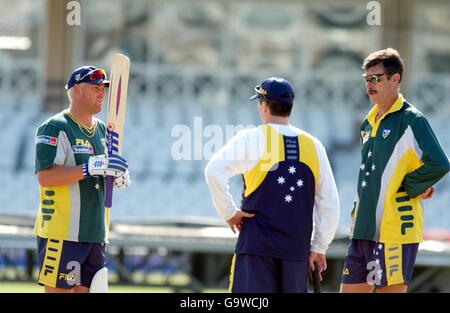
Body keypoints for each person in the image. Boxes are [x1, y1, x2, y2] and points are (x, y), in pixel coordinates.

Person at [205, 77, 340, 293]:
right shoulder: (314, 146)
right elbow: (330, 203)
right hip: (296, 251)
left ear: (264, 105)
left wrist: (229, 212)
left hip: (256, 248)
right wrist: (319, 246)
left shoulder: (251, 138)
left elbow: (213, 171)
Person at [340, 48, 450, 293]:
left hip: (394, 232)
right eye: (367, 79)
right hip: (362, 229)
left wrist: (412, 185)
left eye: (376, 78)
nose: (370, 84)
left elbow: (440, 163)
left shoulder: (412, 119)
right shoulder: (368, 121)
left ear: (395, 79)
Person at [34, 66, 131, 293]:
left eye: (103, 89)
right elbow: (45, 176)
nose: (101, 94)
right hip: (62, 232)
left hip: (96, 232)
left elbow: (105, 171)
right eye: (95, 88)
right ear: (77, 90)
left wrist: (117, 175)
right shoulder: (56, 127)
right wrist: (89, 168)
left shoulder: (103, 131)